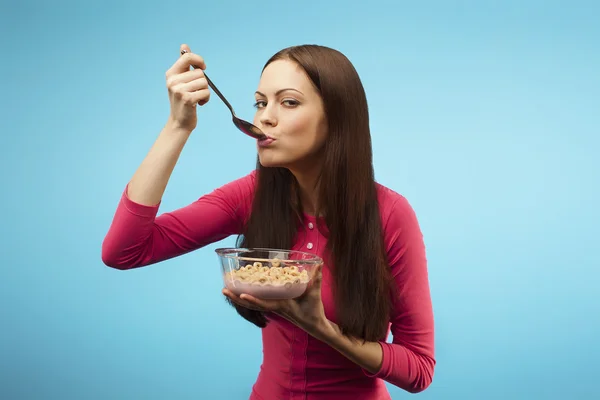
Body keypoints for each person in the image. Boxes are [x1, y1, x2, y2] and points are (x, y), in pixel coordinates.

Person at [102, 43, 435, 400]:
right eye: (261, 103)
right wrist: (177, 126)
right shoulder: (252, 195)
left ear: (337, 117)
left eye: (288, 102)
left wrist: (324, 330)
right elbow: (124, 251)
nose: (264, 118)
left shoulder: (390, 214)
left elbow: (418, 369)